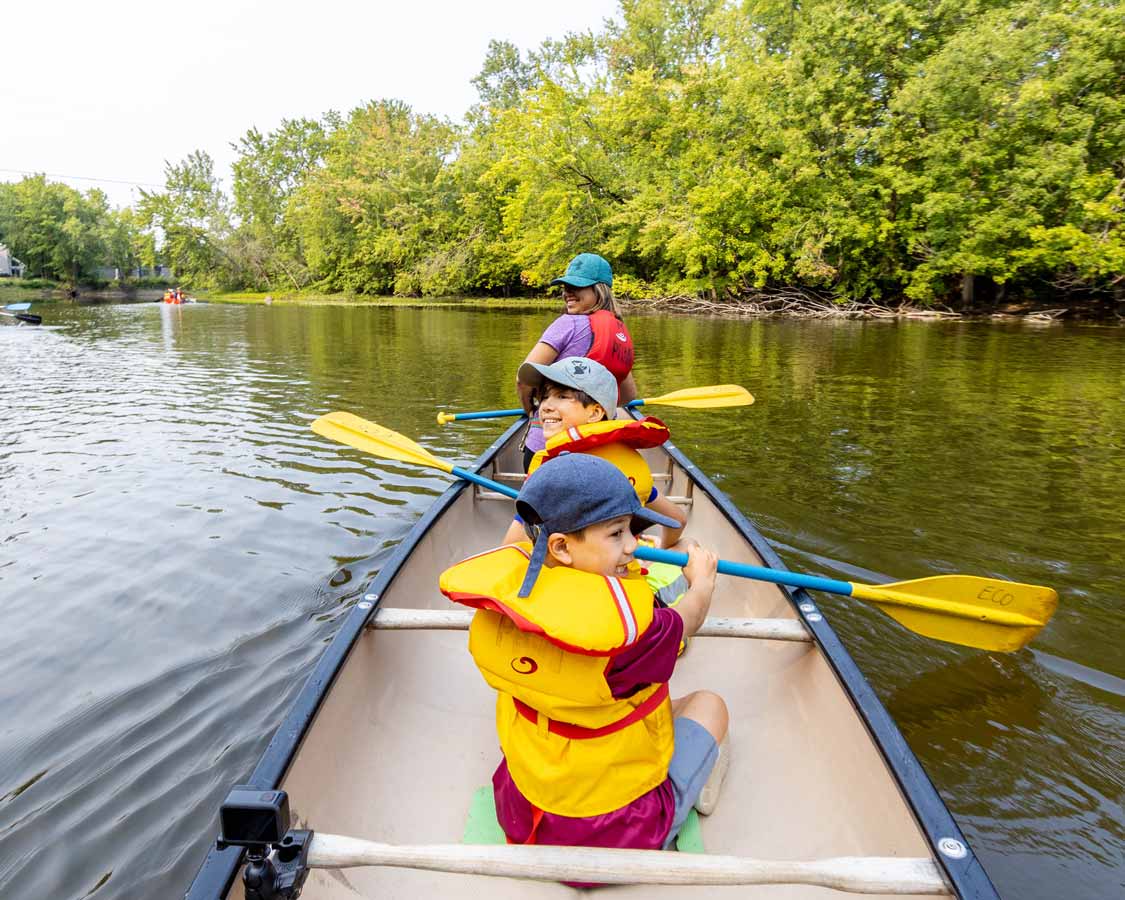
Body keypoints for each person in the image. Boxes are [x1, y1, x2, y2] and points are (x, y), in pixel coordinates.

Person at [439, 454, 730, 856]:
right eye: (616, 534)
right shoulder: (637, 631)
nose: (633, 546)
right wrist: (701, 582)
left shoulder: (505, 611)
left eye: (631, 530)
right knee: (709, 705)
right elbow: (689, 619)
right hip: (622, 833)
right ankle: (690, 786)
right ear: (560, 546)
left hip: (524, 814)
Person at [502, 356, 685, 551]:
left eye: (562, 396)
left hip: (572, 576)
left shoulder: (550, 473)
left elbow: (509, 549)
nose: (545, 406)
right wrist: (664, 548)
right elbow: (678, 520)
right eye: (545, 396)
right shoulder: (620, 465)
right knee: (689, 545)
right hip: (619, 570)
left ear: (595, 413)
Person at [516, 253, 638, 471]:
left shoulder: (567, 323)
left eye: (577, 286)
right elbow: (628, 396)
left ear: (599, 290)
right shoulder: (617, 332)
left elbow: (523, 379)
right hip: (595, 448)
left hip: (549, 446)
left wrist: (530, 411)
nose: (567, 293)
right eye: (565, 286)